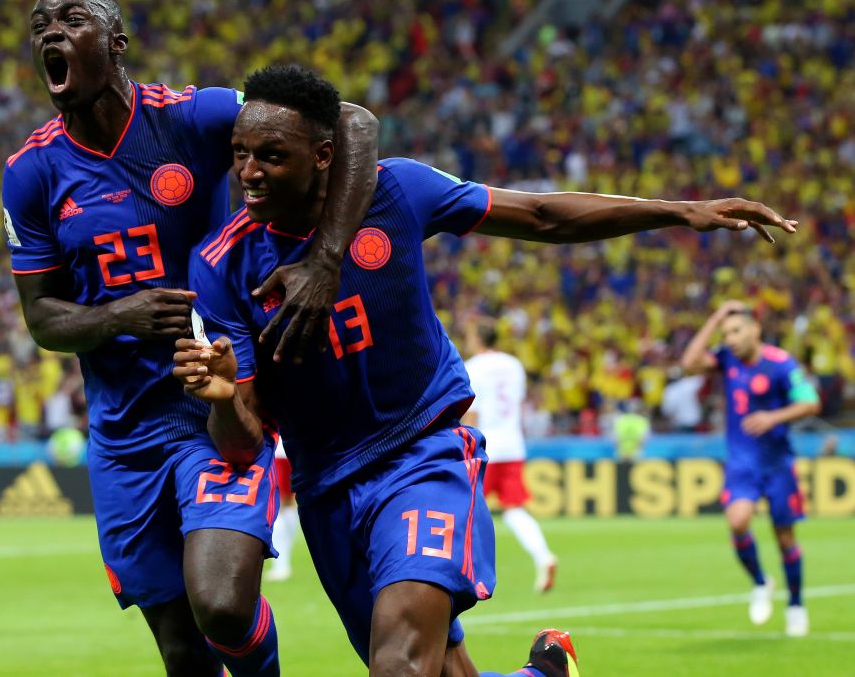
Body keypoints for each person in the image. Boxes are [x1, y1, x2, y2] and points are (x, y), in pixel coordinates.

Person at [174, 64, 797, 676]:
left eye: (271, 156)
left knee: (401, 667)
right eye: (240, 153)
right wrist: (223, 398)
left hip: (420, 455)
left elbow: (541, 216)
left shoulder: (397, 191)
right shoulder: (221, 264)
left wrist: (678, 211)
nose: (249, 173)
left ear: (323, 156)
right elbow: (243, 440)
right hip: (325, 485)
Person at [1, 0, 378, 677]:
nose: (51, 30)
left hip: (218, 404)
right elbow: (43, 319)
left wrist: (326, 261)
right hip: (124, 434)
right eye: (40, 27)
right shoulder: (31, 172)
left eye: (72, 18)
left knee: (224, 607)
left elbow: (350, 121)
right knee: (181, 650)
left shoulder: (192, 116)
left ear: (118, 43)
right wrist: (120, 314)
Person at [681, 301, 821, 637]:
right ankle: (761, 582)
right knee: (738, 520)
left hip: (777, 463)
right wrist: (715, 316)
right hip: (742, 462)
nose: (729, 338)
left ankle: (797, 604)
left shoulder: (780, 364)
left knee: (785, 538)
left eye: (735, 330)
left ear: (755, 329)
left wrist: (774, 417)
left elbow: (811, 402)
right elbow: (688, 363)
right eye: (725, 333)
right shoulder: (726, 359)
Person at [463, 321, 558, 594]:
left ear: (478, 337)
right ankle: (543, 556)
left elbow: (473, 411)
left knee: (467, 509)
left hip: (485, 445)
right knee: (514, 508)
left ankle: (472, 576)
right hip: (513, 443)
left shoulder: (473, 367)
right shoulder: (514, 365)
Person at [264, 441, 299, 583]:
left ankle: (282, 566)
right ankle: (284, 563)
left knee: (278, 506)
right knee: (288, 504)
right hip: (292, 449)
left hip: (278, 451)